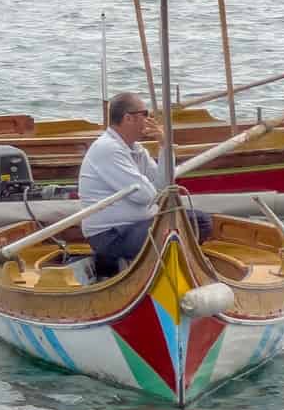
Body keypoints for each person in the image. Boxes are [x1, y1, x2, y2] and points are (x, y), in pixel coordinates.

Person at [77, 92, 210, 277]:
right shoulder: (107, 149)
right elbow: (146, 196)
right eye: (145, 114)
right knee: (173, 231)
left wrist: (164, 145)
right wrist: (154, 190)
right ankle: (160, 272)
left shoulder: (137, 150)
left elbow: (163, 187)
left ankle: (163, 269)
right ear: (128, 118)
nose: (150, 120)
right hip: (112, 234)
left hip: (138, 225)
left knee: (200, 221)